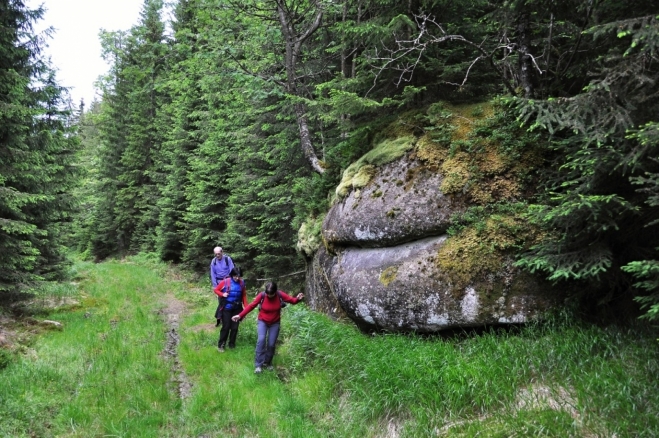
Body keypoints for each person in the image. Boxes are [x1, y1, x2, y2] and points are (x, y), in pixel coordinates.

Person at [232, 281, 304, 373]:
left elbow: (292, 301)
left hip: (275, 323)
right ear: (265, 292)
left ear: (275, 292)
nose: (269, 296)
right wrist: (240, 315)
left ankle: (267, 362)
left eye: (271, 294)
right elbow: (251, 306)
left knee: (271, 344)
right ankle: (258, 365)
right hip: (263, 321)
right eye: (268, 294)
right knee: (261, 340)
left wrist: (298, 299)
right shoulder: (262, 296)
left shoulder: (279, 294)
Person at [214, 267, 248, 352]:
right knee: (226, 326)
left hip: (237, 309)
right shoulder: (225, 282)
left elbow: (244, 296)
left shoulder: (242, 283)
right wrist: (222, 294)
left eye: (239, 276)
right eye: (235, 276)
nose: (237, 278)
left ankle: (232, 344)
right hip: (227, 308)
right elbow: (216, 290)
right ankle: (221, 345)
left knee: (235, 328)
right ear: (232, 275)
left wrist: (246, 309)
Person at [210, 246, 235, 326]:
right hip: (219, 283)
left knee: (229, 300)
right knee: (221, 302)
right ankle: (220, 318)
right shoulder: (213, 261)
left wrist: (232, 282)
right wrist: (215, 286)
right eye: (216, 254)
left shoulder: (228, 259)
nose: (217, 255)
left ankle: (228, 317)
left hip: (228, 282)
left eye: (219, 253)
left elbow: (232, 270)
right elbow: (212, 274)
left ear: (222, 252)